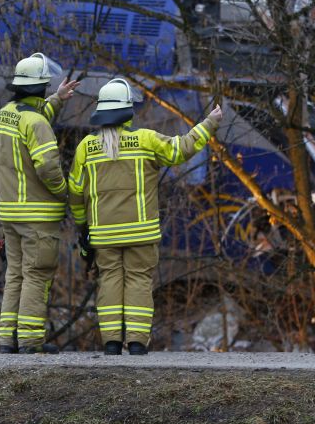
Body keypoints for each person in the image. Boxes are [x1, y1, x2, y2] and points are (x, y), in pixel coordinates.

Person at [68, 77, 222, 355]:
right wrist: (209, 123)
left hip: (104, 234)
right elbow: (181, 149)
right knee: (138, 281)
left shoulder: (85, 148)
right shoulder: (145, 140)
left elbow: (76, 192)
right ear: (128, 109)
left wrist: (83, 228)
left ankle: (111, 343)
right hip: (141, 232)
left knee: (110, 282)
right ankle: (137, 343)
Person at [0, 52, 79, 354]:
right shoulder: (37, 123)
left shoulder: (6, 113)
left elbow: (33, 116)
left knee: (15, 274)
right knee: (37, 274)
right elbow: (48, 167)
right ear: (41, 87)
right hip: (37, 215)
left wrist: (58, 99)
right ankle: (30, 341)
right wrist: (63, 192)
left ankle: (8, 339)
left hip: (10, 212)